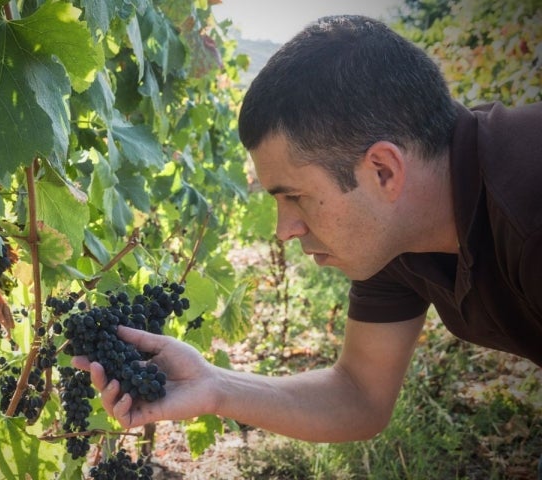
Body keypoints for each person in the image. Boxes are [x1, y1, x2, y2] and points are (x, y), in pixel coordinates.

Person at [73, 13, 541, 460]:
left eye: (294, 196)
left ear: (383, 170)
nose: (283, 231)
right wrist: (214, 386)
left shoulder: (527, 214)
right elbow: (360, 394)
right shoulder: (396, 233)